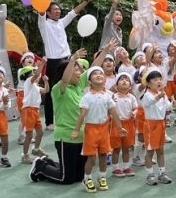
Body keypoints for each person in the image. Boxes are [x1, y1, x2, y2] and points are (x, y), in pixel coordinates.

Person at [29, 41, 116, 185]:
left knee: (78, 176)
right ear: (67, 72)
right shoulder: (59, 89)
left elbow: (93, 67)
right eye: (76, 70)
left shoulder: (79, 86)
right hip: (66, 137)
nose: (80, 72)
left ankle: (47, 161)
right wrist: (73, 59)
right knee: (66, 178)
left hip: (82, 137)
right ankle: (41, 167)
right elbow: (64, 79)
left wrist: (106, 50)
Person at [38, 0, 95, 129]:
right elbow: (41, 12)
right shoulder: (44, 24)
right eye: (54, 10)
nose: (58, 11)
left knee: (75, 86)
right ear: (48, 13)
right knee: (52, 90)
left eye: (59, 9)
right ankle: (50, 122)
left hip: (68, 60)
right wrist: (41, 2)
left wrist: (87, 0)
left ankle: (75, 116)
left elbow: (74, 12)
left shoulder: (61, 23)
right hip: (53, 62)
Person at [72, 65, 126, 193]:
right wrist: (76, 129)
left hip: (104, 129)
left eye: (101, 74)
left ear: (105, 80)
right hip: (91, 129)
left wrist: (120, 127)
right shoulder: (86, 97)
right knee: (91, 157)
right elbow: (82, 115)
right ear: (90, 81)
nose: (99, 75)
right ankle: (87, 179)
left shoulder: (107, 96)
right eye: (95, 74)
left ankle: (102, 177)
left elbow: (114, 112)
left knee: (103, 154)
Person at [19, 59, 49, 164]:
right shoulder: (28, 82)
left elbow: (46, 91)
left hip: (35, 110)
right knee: (29, 135)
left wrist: (46, 82)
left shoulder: (36, 86)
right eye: (33, 71)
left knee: (40, 132)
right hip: (28, 110)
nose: (37, 73)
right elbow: (36, 75)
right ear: (28, 75)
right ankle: (25, 155)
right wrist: (42, 64)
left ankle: (36, 149)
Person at [110, 72, 137, 178]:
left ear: (130, 86)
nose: (124, 81)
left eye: (127, 80)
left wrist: (134, 114)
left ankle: (126, 167)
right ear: (116, 86)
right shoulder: (113, 96)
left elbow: (136, 109)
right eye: (121, 79)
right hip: (116, 124)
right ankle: (115, 168)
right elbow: (109, 109)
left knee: (126, 147)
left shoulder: (132, 97)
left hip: (129, 124)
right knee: (116, 148)